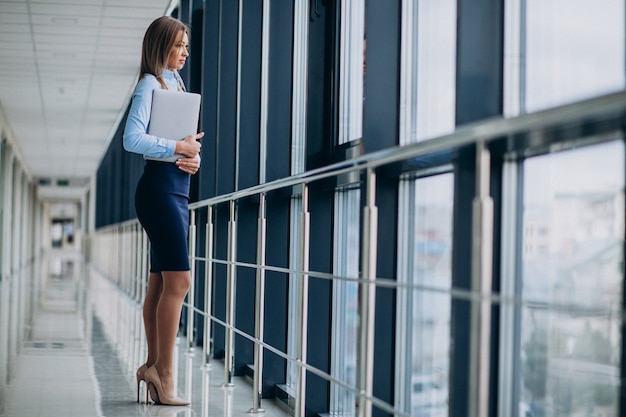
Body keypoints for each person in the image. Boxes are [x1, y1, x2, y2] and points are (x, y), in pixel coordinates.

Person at [122, 15, 203, 406]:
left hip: (176, 188)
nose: (185, 52)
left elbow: (181, 143)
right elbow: (132, 139)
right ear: (161, 47)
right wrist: (177, 150)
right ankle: (164, 375)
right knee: (179, 282)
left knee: (160, 283)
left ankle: (152, 366)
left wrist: (191, 158)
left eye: (187, 46)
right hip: (158, 192)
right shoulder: (149, 85)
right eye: (179, 46)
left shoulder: (176, 83)